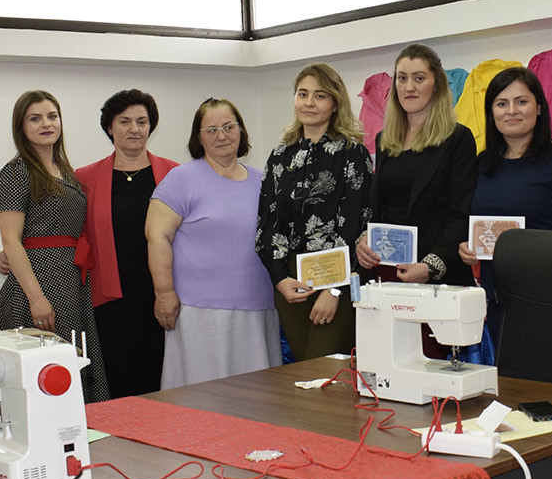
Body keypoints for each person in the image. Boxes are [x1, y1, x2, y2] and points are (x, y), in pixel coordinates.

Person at [146, 98, 279, 387]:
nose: (222, 135)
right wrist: (164, 292)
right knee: (205, 394)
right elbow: (157, 236)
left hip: (258, 308)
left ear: (241, 130)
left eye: (229, 127)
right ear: (199, 138)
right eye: (211, 130)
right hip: (200, 313)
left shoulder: (264, 181)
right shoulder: (181, 179)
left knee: (258, 396)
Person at [456, 66, 552, 344]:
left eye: (521, 101)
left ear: (538, 107)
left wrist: (525, 245)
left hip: (550, 293)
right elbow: (473, 222)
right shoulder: (482, 164)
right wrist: (467, 247)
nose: (511, 111)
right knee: (504, 369)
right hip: (498, 296)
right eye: (501, 104)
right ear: (491, 113)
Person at [0, 89, 109, 401]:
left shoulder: (64, 171)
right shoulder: (16, 173)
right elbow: (11, 240)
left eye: (52, 116)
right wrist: (36, 298)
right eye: (35, 118)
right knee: (43, 382)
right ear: (21, 128)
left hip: (70, 284)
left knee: (71, 369)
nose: (46, 124)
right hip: (38, 286)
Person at [255, 63, 373, 362]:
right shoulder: (280, 156)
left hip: (339, 281)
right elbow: (268, 223)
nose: (309, 102)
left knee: (326, 369)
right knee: (304, 370)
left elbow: (357, 225)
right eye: (302, 94)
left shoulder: (352, 153)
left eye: (320, 96)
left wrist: (334, 291)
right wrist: (280, 280)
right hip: (291, 283)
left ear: (335, 103)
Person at [75, 89, 179, 398]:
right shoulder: (84, 178)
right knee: (119, 386)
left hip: (165, 298)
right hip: (112, 304)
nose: (134, 129)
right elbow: (66, 230)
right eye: (124, 121)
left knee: (164, 386)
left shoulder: (175, 174)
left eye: (141, 121)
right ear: (110, 127)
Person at [356, 44, 477, 289]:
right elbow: (381, 208)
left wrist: (430, 266)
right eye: (402, 78)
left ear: (437, 84)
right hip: (388, 271)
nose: (409, 87)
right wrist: (365, 239)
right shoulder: (384, 140)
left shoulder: (457, 138)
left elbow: (461, 214)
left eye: (419, 78)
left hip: (439, 277)